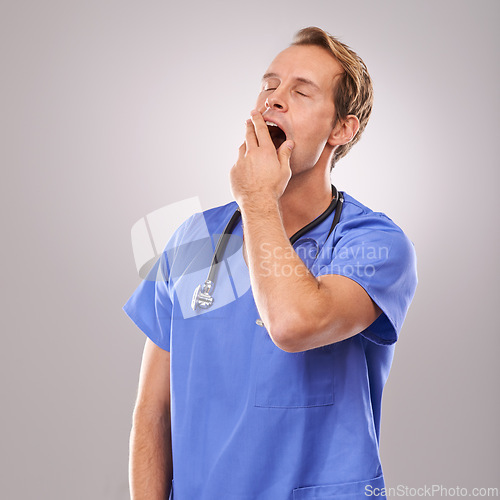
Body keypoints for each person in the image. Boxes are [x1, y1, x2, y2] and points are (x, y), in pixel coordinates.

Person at [123, 26, 417, 500]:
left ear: (342, 129)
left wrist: (257, 199)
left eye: (301, 92)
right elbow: (153, 411)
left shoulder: (374, 243)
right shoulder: (198, 239)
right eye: (269, 85)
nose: (274, 100)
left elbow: (294, 324)